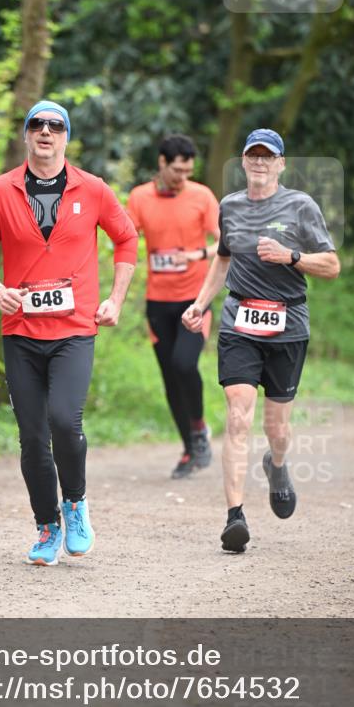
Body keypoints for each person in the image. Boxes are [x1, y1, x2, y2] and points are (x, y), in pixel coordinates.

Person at [0, 100, 138, 566]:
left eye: (55, 126)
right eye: (37, 125)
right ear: (26, 134)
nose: (46, 132)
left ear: (66, 136)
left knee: (64, 420)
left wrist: (116, 299)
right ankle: (47, 526)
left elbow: (126, 239)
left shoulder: (94, 189)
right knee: (32, 436)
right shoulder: (0, 190)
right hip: (20, 331)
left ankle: (76, 503)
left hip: (74, 329)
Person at [182, 129, 340, 552]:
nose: (259, 162)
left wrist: (292, 257)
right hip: (240, 323)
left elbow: (331, 265)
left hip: (287, 325)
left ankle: (277, 463)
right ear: (243, 161)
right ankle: (234, 517)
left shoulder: (301, 206)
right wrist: (200, 304)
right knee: (238, 415)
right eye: (253, 155)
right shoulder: (230, 207)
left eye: (267, 156)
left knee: (276, 427)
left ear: (281, 164)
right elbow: (223, 259)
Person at [127, 135, 219, 478]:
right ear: (162, 163)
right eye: (178, 170)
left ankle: (199, 429)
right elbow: (125, 238)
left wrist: (196, 254)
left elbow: (227, 242)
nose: (183, 177)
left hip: (196, 299)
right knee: (170, 378)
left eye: (188, 171)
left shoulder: (202, 196)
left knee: (184, 364)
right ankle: (190, 449)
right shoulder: (140, 197)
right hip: (158, 301)